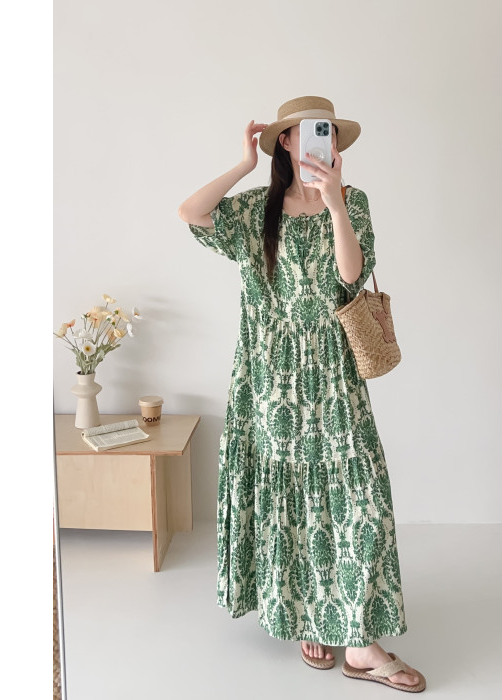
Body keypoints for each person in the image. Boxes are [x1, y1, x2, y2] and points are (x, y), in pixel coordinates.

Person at [177, 96, 425, 692]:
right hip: (271, 380)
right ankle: (307, 612)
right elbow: (190, 212)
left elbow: (350, 276)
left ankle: (359, 643)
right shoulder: (255, 210)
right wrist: (243, 164)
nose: (322, 140)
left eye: (329, 132)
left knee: (361, 496)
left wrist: (334, 201)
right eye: (310, 132)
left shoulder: (352, 201)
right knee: (291, 499)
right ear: (285, 141)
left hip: (335, 375)